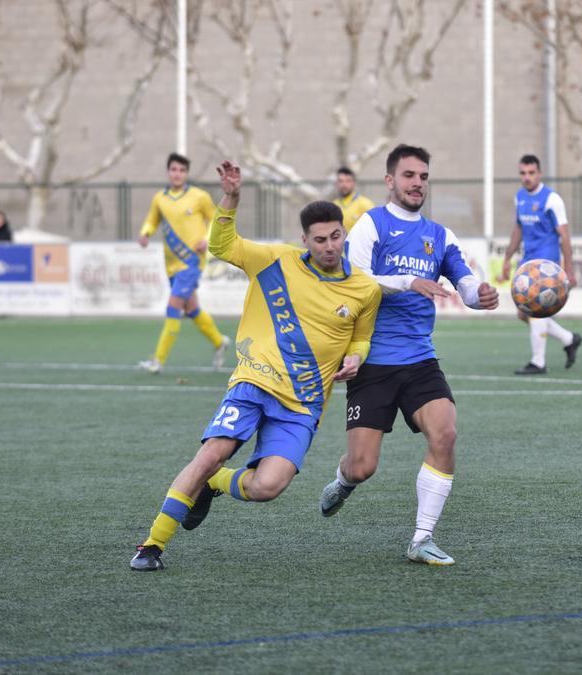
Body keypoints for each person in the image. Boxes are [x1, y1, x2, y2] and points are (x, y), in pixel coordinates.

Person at [130, 160, 382, 571]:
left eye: (336, 236)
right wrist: (230, 199)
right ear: (305, 240)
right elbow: (221, 245)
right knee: (213, 452)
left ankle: (214, 484)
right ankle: (152, 545)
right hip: (254, 381)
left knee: (268, 486)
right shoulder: (274, 261)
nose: (330, 246)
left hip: (303, 403)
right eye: (320, 240)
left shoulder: (365, 289)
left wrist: (357, 355)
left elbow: (361, 335)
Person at [319, 144, 500, 566]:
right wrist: (409, 281)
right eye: (408, 176)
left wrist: (480, 295)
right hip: (372, 362)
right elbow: (355, 281)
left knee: (446, 434)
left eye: (422, 176)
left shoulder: (439, 236)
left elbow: (466, 281)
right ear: (390, 181)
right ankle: (343, 481)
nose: (417, 183)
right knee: (363, 467)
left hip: (419, 360)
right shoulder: (371, 225)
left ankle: (422, 538)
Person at [137, 152, 230, 374]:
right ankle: (219, 342)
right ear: (168, 172)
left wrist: (206, 239)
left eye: (181, 170)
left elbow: (216, 218)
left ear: (187, 173)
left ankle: (157, 360)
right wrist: (145, 232)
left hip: (191, 262)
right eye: (173, 169)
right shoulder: (160, 198)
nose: (177, 174)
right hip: (171, 263)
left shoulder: (199, 196)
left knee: (173, 307)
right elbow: (152, 220)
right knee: (192, 309)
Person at [496, 154, 582, 375]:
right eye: (523, 173)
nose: (527, 177)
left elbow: (564, 236)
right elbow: (518, 229)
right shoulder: (520, 197)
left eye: (531, 173)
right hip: (527, 261)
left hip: (546, 263)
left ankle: (538, 362)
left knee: (534, 310)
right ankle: (569, 339)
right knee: (523, 313)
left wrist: (569, 271)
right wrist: (507, 259)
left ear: (540, 173)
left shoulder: (552, 199)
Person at [332, 166, 375, 233]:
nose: (344, 184)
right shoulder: (333, 205)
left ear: (354, 183)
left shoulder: (365, 204)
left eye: (348, 181)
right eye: (341, 181)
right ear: (336, 183)